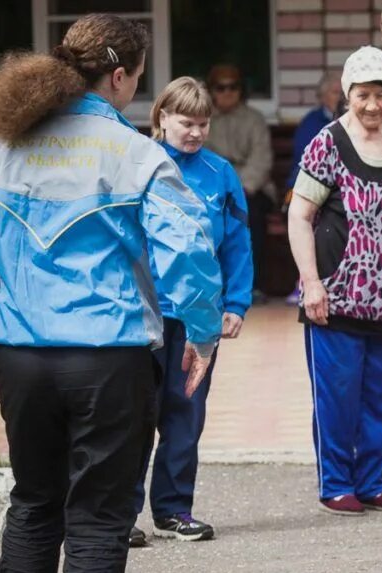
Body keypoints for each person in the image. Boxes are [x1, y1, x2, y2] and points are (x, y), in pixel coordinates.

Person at [0, 14, 222, 573]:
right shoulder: (136, 153)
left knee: (34, 500)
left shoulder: (8, 145)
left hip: (21, 353)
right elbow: (186, 248)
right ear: (121, 75)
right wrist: (202, 328)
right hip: (109, 353)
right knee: (98, 515)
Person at [288, 46, 382, 516]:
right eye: (363, 94)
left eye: (381, 95)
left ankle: (372, 481)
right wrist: (310, 282)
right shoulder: (328, 143)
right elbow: (299, 215)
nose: (372, 105)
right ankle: (336, 483)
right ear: (348, 93)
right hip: (337, 296)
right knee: (337, 397)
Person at [130, 77, 254, 548]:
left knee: (186, 414)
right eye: (187, 122)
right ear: (161, 117)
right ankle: (121, 514)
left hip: (198, 318)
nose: (196, 132)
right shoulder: (138, 166)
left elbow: (238, 244)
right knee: (135, 415)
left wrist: (236, 303)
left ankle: (173, 509)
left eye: (204, 123)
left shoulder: (220, 173)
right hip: (143, 314)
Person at [205, 63, 274, 303]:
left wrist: (241, 189)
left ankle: (252, 286)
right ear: (211, 90)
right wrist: (222, 189)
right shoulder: (204, 119)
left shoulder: (254, 119)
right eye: (221, 87)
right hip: (214, 188)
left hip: (251, 188)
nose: (227, 92)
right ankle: (215, 285)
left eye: (233, 87)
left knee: (251, 215)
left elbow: (262, 159)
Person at [284, 72, 344, 306]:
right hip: (306, 187)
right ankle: (304, 279)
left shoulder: (352, 121)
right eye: (334, 92)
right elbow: (304, 165)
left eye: (343, 92)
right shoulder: (311, 122)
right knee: (303, 215)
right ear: (322, 96)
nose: (340, 97)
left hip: (341, 190)